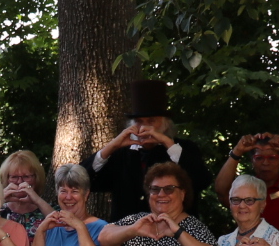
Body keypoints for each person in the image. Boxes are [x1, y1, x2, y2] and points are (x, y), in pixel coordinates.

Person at [84, 80, 206, 218]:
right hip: (127, 235)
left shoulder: (184, 149)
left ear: (165, 124)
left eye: (151, 121)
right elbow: (81, 181)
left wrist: (166, 141)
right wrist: (112, 146)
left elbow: (201, 180)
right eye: (139, 122)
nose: (144, 128)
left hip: (173, 233)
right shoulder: (121, 154)